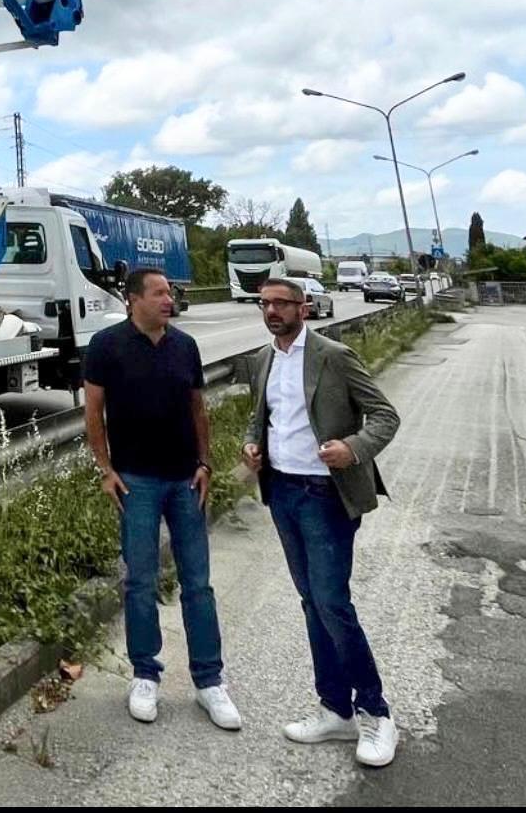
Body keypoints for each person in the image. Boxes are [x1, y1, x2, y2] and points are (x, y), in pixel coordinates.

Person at [242, 276, 401, 767]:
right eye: (265, 304)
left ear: (304, 308)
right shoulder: (263, 359)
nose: (272, 311)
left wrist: (352, 448)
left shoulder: (333, 356)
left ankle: (376, 712)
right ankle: (335, 709)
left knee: (332, 603)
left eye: (281, 304)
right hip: (283, 492)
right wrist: (251, 445)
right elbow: (261, 417)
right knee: (312, 602)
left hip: (325, 496)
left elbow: (384, 415)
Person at [84, 267, 241, 730]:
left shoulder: (185, 346)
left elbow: (198, 409)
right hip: (136, 482)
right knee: (140, 581)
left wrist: (205, 463)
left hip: (185, 480)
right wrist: (106, 470)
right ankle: (145, 674)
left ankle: (209, 681)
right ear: (133, 299)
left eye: (169, 293)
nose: (168, 300)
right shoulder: (106, 346)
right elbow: (93, 412)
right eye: (158, 293)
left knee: (198, 583)